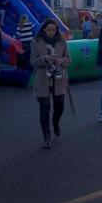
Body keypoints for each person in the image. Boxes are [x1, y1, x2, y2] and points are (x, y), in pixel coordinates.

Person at [30, 19, 70, 149]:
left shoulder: (62, 41)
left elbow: (68, 59)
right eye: (49, 30)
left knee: (60, 106)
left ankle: (55, 122)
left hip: (58, 78)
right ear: (44, 30)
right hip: (43, 79)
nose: (52, 32)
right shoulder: (36, 42)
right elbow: (33, 62)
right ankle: (46, 135)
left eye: (54, 30)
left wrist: (61, 61)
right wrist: (45, 59)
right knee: (44, 108)